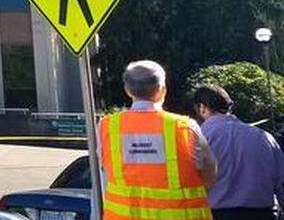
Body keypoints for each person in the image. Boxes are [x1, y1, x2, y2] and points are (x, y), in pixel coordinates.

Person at [99, 60, 218, 220]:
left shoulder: (106, 127)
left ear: (128, 91)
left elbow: (104, 173)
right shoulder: (184, 127)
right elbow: (210, 171)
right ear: (162, 90)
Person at [193, 84, 284, 220]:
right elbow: (281, 183)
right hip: (263, 214)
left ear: (202, 108)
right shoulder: (264, 137)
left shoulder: (199, 138)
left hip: (217, 213)